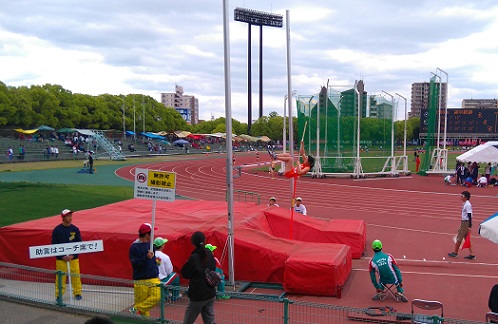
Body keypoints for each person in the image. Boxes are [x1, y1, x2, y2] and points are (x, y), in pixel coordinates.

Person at [181, 231, 217, 324]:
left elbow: (185, 273)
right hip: (210, 292)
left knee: (188, 321)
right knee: (210, 320)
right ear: (204, 240)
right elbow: (213, 267)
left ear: (193, 243)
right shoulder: (209, 253)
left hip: (197, 295)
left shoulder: (194, 258)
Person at [129, 223, 161, 317]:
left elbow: (153, 261)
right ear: (147, 234)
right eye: (152, 232)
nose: (153, 234)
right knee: (144, 312)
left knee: (157, 296)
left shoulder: (151, 246)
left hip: (153, 277)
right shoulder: (134, 248)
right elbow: (135, 264)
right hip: (140, 280)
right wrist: (146, 258)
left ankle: (137, 308)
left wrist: (156, 272)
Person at [52, 209, 83, 301]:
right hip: (61, 260)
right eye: (68, 216)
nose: (70, 218)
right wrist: (62, 257)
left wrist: (73, 255)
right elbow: (54, 246)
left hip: (73, 259)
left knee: (76, 276)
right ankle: (59, 295)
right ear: (63, 218)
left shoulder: (75, 229)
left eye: (71, 216)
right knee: (60, 277)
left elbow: (79, 244)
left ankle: (77, 293)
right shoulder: (57, 230)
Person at [448, 191, 475, 260]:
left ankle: (455, 253)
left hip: (465, 222)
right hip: (464, 222)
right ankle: (472, 254)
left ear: (466, 197)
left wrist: (469, 226)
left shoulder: (467, 205)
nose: (461, 197)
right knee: (466, 239)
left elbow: (469, 215)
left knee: (459, 238)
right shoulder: (465, 203)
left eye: (462, 196)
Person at [153, 237, 181, 301]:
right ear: (162, 246)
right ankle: (175, 296)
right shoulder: (165, 257)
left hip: (152, 280)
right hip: (162, 280)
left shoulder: (150, 255)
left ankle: (165, 294)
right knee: (175, 276)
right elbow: (169, 271)